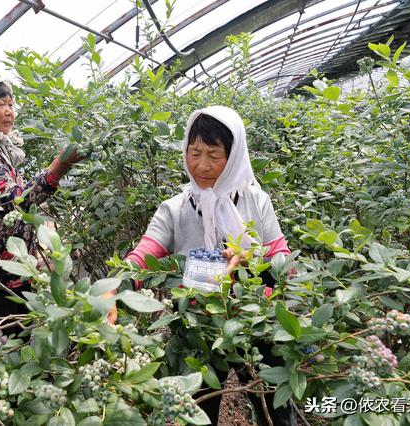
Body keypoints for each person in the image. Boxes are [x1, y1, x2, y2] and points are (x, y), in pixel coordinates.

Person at [107, 106, 294, 425]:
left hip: (256, 326)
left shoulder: (255, 201)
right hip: (199, 329)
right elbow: (142, 256)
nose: (202, 166)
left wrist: (250, 257)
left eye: (214, 154)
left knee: (275, 414)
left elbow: (284, 263)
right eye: (194, 153)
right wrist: (111, 289)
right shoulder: (176, 209)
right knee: (196, 415)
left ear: (233, 157)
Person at [0, 78, 79, 331]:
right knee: (2, 342)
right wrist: (59, 166)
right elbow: (17, 199)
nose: (10, 111)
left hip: (12, 267)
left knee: (18, 336)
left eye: (11, 104)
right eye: (2, 104)